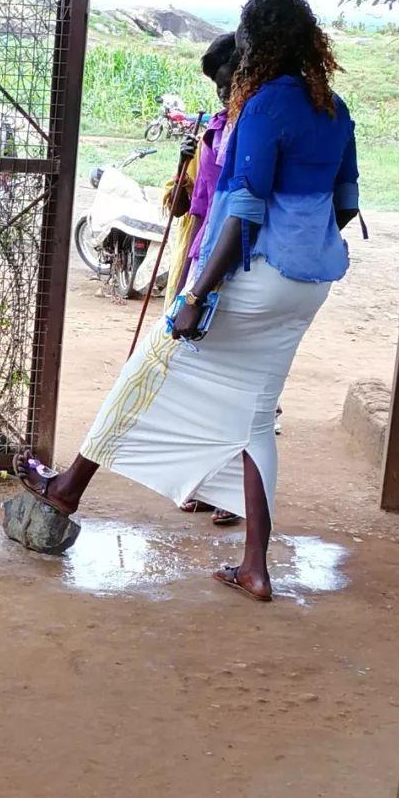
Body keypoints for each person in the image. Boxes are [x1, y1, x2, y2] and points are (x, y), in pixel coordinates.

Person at [13, 0, 360, 603]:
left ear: (254, 42)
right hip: (308, 286)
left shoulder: (262, 107)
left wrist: (200, 291)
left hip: (250, 275)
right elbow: (345, 205)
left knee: (150, 366)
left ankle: (67, 488)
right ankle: (255, 565)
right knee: (256, 413)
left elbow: (243, 212)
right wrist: (295, 253)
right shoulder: (333, 108)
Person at [161, 32, 242, 528]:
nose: (221, 93)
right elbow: (184, 200)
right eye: (216, 85)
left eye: (227, 81)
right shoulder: (215, 127)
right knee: (194, 375)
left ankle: (228, 492)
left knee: (232, 381)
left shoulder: (251, 127)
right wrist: (184, 164)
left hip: (228, 267)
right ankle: (203, 484)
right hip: (196, 257)